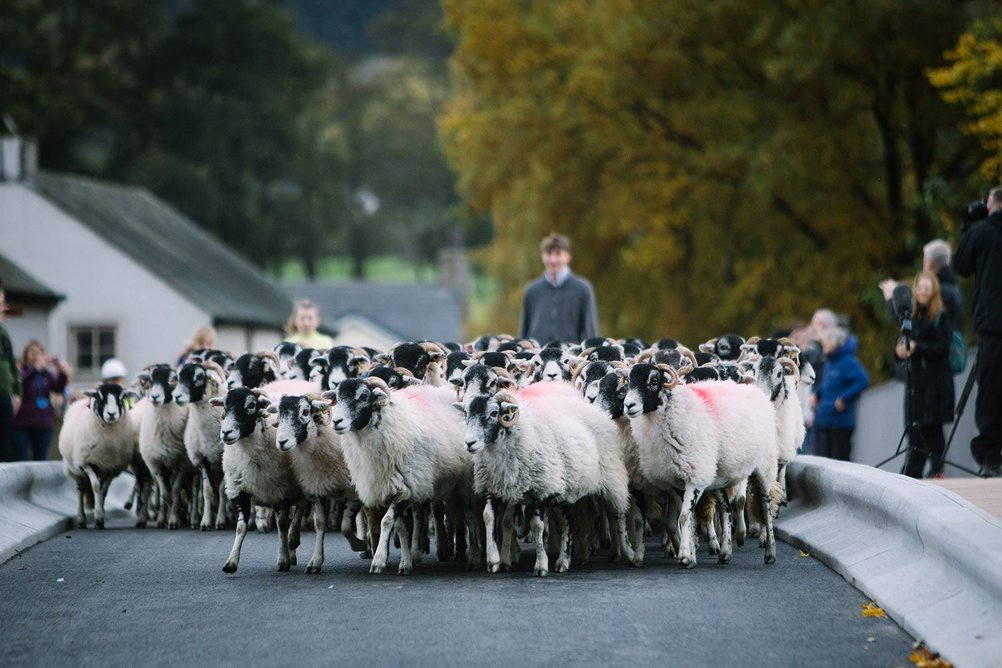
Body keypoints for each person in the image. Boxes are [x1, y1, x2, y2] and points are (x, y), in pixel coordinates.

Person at [954, 185, 1002, 477]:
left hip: (992, 325)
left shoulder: (982, 232)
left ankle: (989, 455)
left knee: (991, 390)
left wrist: (967, 227)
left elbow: (961, 265)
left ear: (992, 204)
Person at [894, 272, 955, 479]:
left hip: (936, 384)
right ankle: (912, 475)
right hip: (916, 384)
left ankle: (937, 470)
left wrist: (916, 348)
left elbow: (943, 348)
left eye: (927, 289)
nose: (922, 292)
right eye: (920, 288)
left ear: (933, 292)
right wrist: (900, 352)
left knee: (932, 430)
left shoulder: (940, 317)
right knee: (915, 431)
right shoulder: (910, 317)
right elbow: (903, 347)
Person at [519, 233, 599, 345]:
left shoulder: (582, 289)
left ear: (568, 257)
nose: (553, 260)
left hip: (569, 357)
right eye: (548, 254)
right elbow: (524, 331)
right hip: (537, 356)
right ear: (542, 256)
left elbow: (590, 330)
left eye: (558, 254)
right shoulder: (532, 290)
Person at [811, 325, 870, 462]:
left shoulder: (848, 362)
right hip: (824, 419)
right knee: (823, 462)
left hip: (840, 422)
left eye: (825, 341)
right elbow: (828, 384)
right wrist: (817, 394)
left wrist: (844, 398)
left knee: (840, 462)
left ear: (834, 342)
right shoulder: (829, 362)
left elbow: (862, 381)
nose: (823, 344)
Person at [880, 239, 963, 328]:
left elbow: (916, 326)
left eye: (924, 259)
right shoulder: (951, 288)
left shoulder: (939, 292)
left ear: (929, 263)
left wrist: (892, 299)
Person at [12, 340, 71, 461]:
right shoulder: (21, 370)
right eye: (32, 352)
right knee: (21, 457)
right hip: (22, 423)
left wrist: (62, 372)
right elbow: (20, 384)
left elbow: (58, 389)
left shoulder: (47, 375)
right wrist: (35, 369)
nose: (35, 356)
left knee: (40, 458)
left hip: (44, 423)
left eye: (39, 353)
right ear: (26, 354)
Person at [0, 283, 22, 462]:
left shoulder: (3, 331)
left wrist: (17, 393)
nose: (3, 308)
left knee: (5, 444)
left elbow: (11, 363)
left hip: (5, 395)